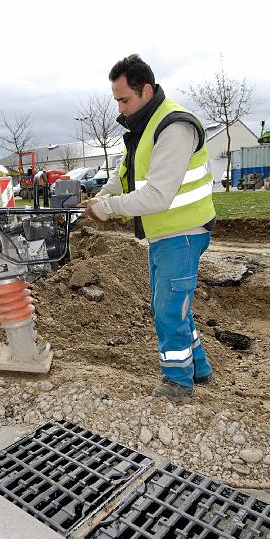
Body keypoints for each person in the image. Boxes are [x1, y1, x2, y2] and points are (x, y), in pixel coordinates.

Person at [79, 54, 216, 401]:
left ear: (146, 90)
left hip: (183, 234)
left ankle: (178, 384)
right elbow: (126, 174)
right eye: (117, 101)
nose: (120, 109)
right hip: (166, 236)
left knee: (169, 310)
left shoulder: (174, 127)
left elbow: (156, 195)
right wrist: (102, 195)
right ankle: (198, 369)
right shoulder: (144, 128)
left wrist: (107, 209)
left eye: (124, 100)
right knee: (168, 306)